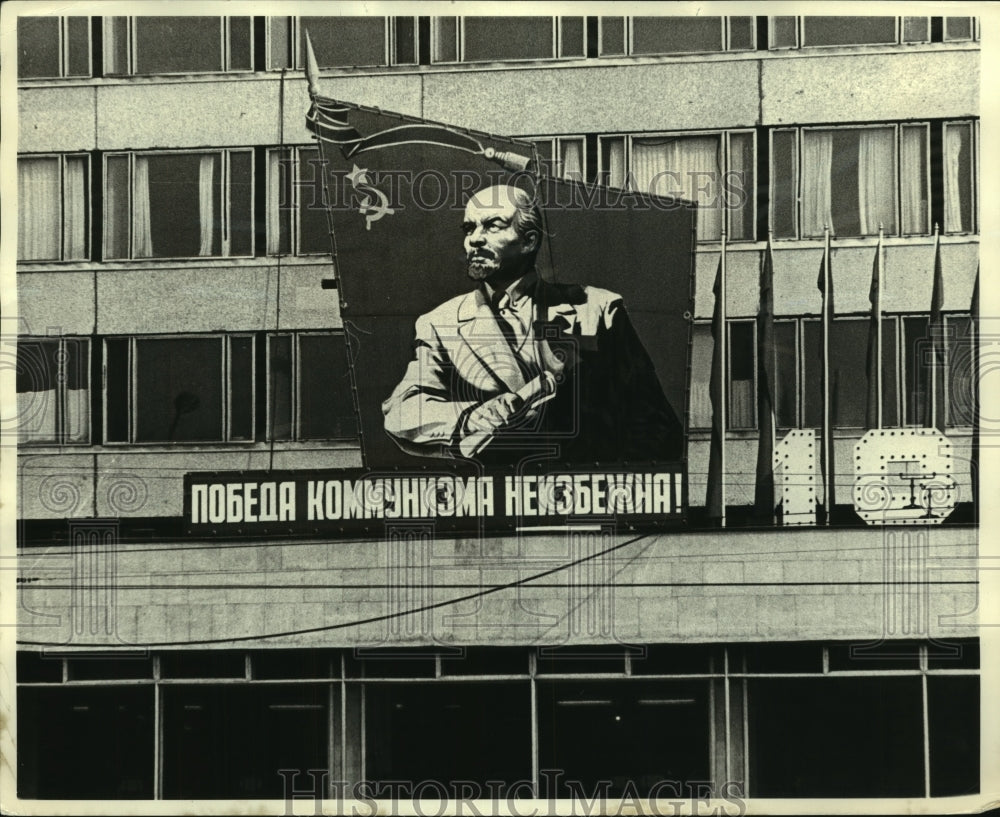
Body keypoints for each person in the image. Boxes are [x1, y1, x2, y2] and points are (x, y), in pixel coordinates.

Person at [381, 184, 683, 465]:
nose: (474, 238)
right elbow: (402, 410)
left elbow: (654, 423)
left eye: (492, 225)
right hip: (497, 500)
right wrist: (473, 415)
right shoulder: (438, 322)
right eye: (469, 228)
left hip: (581, 499)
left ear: (529, 241)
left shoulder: (597, 308)